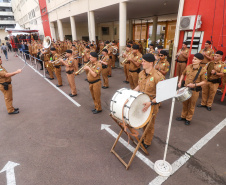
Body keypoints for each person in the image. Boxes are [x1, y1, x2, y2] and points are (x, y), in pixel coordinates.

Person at [134, 53, 165, 148]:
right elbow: (140, 85)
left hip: (152, 104)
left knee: (150, 124)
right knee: (143, 122)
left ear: (151, 63)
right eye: (142, 61)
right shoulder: (141, 73)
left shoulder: (158, 76)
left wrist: (151, 102)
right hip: (143, 101)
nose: (142, 63)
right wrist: (131, 93)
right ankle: (144, 136)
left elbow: (162, 94)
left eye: (144, 61)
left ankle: (147, 141)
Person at [176, 53, 207, 125]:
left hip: (195, 91)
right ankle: (183, 116)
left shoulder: (203, 70)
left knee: (191, 106)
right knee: (184, 104)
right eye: (193, 58)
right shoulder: (188, 67)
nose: (193, 60)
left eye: (195, 59)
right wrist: (180, 82)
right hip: (186, 89)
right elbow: (183, 74)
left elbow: (204, 81)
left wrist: (195, 85)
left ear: (200, 60)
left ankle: (188, 118)